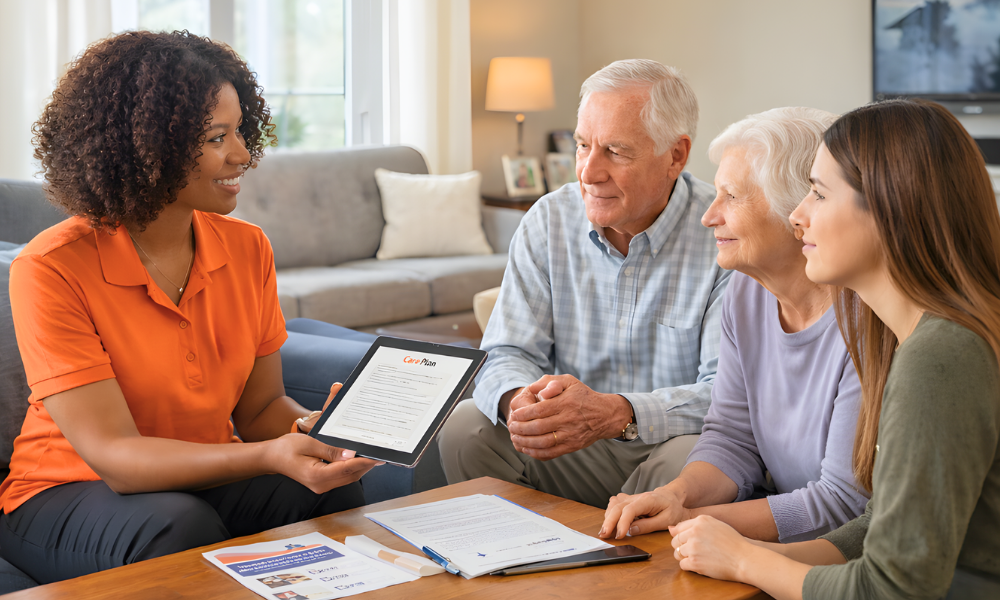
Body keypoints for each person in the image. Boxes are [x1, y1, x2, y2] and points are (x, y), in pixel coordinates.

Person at [0, 31, 380, 584]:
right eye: (215, 137)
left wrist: (311, 430)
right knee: (177, 525)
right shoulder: (51, 267)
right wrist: (268, 455)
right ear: (144, 147)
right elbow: (117, 459)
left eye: (241, 130)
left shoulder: (248, 247)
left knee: (322, 483)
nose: (243, 155)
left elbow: (258, 411)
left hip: (195, 476)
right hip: (63, 491)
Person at [664, 99, 1000, 599]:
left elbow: (891, 588)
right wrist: (743, 556)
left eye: (818, 195)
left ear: (890, 207)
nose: (798, 216)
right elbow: (878, 524)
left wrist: (742, 558)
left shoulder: (939, 357)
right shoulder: (919, 337)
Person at [438, 59, 731, 507]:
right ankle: (522, 565)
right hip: (569, 448)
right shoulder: (549, 220)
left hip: (668, 449)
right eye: (582, 146)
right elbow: (506, 352)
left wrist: (617, 413)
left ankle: (630, 574)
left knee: (691, 459)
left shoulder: (724, 233)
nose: (589, 172)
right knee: (466, 426)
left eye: (615, 151)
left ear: (675, 155)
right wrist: (523, 406)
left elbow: (727, 395)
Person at [600, 108, 868, 544]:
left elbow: (842, 505)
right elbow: (731, 436)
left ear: (797, 209)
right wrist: (676, 495)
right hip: (780, 538)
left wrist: (694, 519)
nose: (709, 216)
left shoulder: (866, 321)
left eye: (732, 196)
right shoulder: (745, 293)